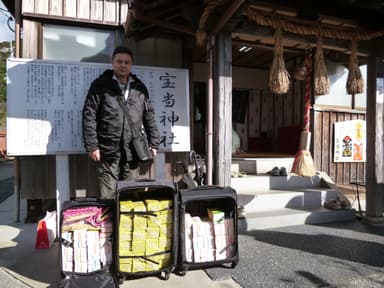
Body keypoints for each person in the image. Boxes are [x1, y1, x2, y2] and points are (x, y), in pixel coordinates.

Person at [82, 46, 160, 199]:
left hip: (132, 149)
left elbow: (148, 115)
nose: (123, 65)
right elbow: (89, 114)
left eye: (126, 62)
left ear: (131, 65)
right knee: (108, 195)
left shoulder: (140, 87)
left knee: (130, 194)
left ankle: (126, 223)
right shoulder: (100, 85)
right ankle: (111, 222)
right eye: (119, 61)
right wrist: (92, 145)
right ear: (112, 63)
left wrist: (154, 142)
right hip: (107, 149)